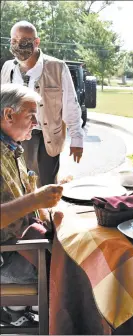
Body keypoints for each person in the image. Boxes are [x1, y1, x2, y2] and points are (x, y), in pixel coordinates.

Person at [0, 83, 64, 327]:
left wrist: (39, 199)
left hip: (16, 245)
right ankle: (30, 315)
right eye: (30, 116)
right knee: (71, 266)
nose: (36, 123)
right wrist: (36, 200)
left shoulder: (9, 146)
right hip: (6, 258)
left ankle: (17, 310)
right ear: (8, 114)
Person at [1, 21, 84, 187]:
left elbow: (70, 105)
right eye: (14, 40)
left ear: (36, 42)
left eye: (24, 40)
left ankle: (48, 213)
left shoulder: (57, 67)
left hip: (46, 138)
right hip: (13, 136)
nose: (18, 44)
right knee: (16, 184)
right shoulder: (8, 67)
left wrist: (77, 139)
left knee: (46, 186)